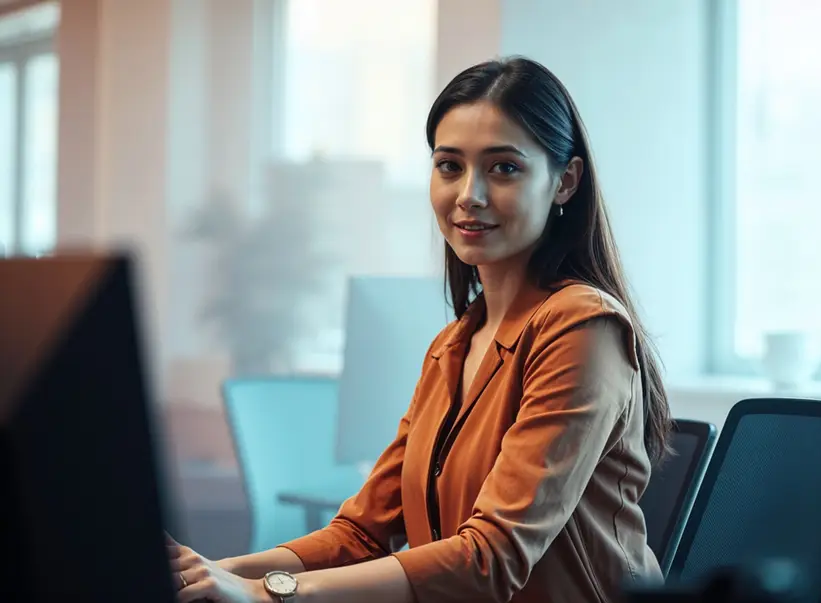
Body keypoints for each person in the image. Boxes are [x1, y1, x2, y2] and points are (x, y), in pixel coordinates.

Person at [170, 56, 673, 603]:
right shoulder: (454, 346)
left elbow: (491, 559)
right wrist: (215, 572)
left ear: (565, 182)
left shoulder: (582, 328)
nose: (469, 195)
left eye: (504, 168)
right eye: (449, 166)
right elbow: (361, 533)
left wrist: (269, 593)